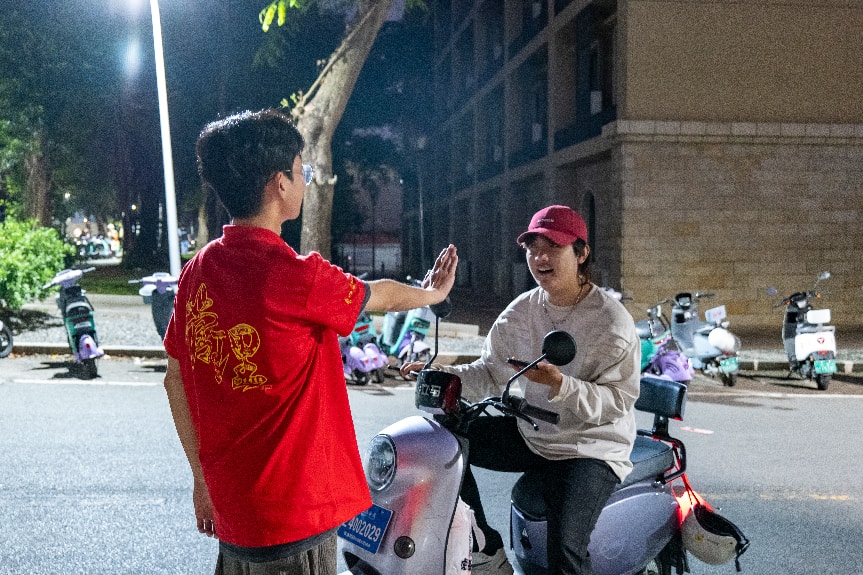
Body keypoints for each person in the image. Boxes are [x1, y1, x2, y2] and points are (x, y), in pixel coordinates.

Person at [162, 108, 458, 575]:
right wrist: (432, 294)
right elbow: (377, 296)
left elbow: (173, 378)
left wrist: (201, 480)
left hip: (232, 510)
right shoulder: (295, 276)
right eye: (303, 171)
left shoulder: (197, 272)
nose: (305, 181)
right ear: (280, 183)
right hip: (293, 516)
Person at [402, 205, 640, 575]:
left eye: (553, 248)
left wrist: (561, 385)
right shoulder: (521, 311)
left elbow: (618, 402)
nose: (540, 258)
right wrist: (439, 373)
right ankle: (485, 548)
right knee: (444, 440)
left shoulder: (610, 320)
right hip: (534, 435)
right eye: (532, 249)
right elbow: (488, 372)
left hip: (589, 446)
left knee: (565, 549)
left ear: (581, 253)